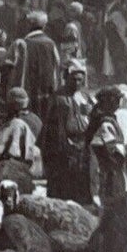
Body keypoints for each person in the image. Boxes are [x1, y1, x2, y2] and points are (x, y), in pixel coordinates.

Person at [40, 63, 93, 203]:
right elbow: (55, 128)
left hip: (81, 145)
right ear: (66, 79)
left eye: (80, 80)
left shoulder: (84, 96)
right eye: (73, 79)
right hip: (64, 147)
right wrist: (65, 144)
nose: (77, 82)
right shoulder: (59, 98)